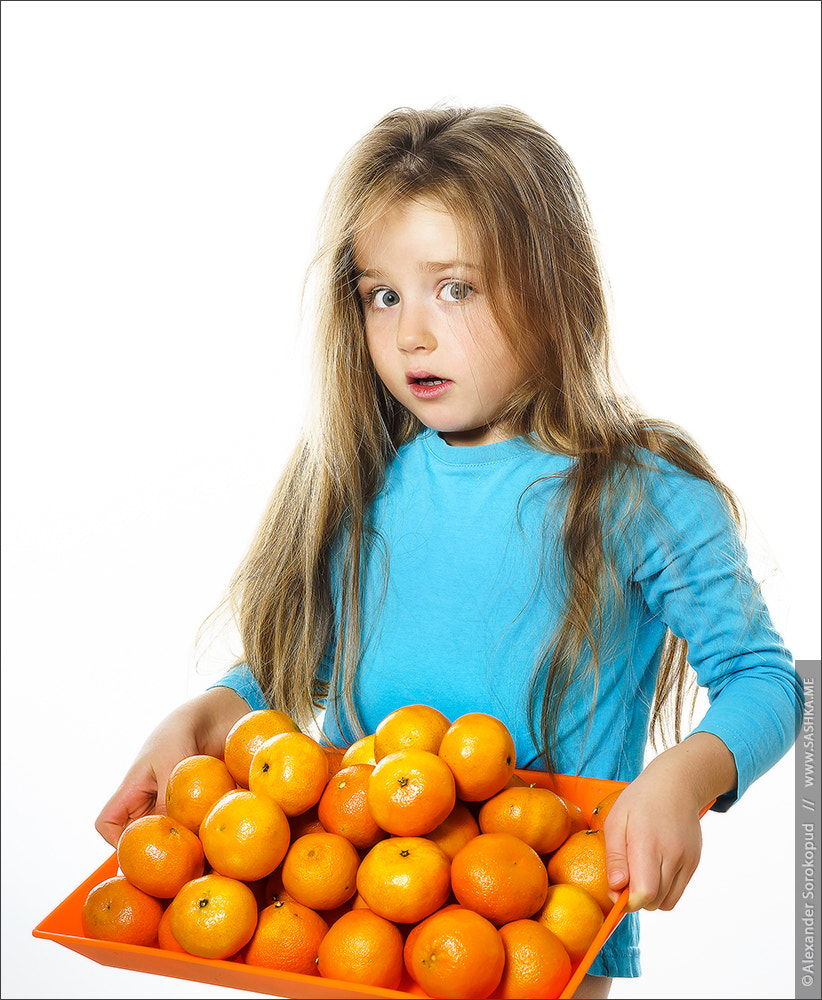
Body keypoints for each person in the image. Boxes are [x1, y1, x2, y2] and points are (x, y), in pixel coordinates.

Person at [95, 106, 801, 998]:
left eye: (454, 288)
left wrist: (685, 777)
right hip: (344, 929)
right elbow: (304, 665)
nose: (411, 334)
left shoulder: (640, 494)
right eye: (381, 294)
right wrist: (204, 716)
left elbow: (764, 678)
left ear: (554, 287)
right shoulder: (362, 482)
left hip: (541, 930)